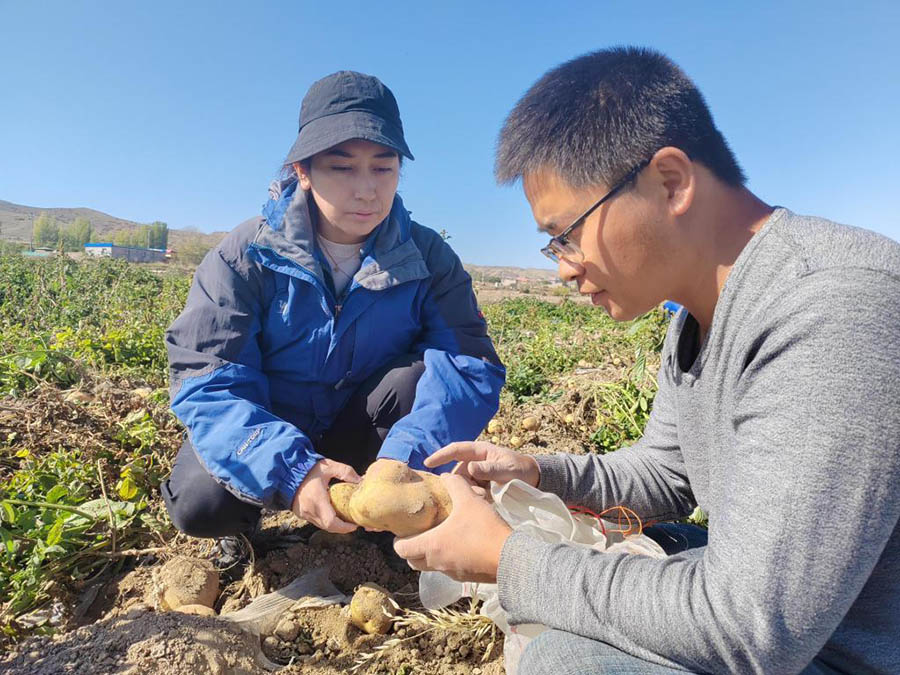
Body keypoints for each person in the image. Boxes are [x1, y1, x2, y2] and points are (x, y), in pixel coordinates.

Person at [393, 47, 900, 674]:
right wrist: (534, 472)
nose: (563, 266)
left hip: (844, 647)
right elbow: (668, 473)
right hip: (789, 614)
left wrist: (509, 558)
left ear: (671, 182)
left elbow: (752, 633)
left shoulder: (830, 307)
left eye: (568, 234)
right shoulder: (693, 314)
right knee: (505, 577)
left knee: (565, 663)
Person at [161, 71, 504, 544]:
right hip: (270, 425)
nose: (366, 189)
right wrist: (291, 468)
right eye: (342, 168)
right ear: (302, 170)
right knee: (201, 503)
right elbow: (209, 378)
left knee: (414, 377)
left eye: (383, 168)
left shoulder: (428, 259)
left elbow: (469, 363)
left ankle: (373, 524)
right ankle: (245, 531)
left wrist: (402, 457)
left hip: (360, 430)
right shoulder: (245, 255)